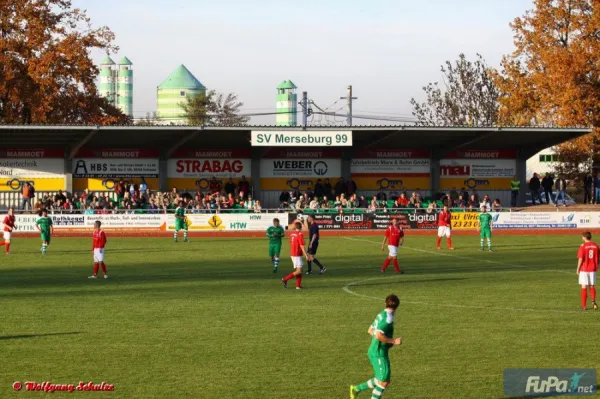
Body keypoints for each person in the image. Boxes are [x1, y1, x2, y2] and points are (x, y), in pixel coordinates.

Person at [349, 294, 403, 399]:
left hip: (376, 351)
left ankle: (355, 389)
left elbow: (370, 330)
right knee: (384, 382)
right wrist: (393, 341)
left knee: (381, 379)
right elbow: (378, 335)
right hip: (379, 353)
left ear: (385, 303)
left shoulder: (381, 314)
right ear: (397, 306)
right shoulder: (388, 318)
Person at [281, 221, 308, 290]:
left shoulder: (292, 234)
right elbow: (302, 246)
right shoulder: (300, 234)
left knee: (299, 269)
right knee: (299, 271)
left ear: (295, 227)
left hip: (293, 253)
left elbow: (290, 242)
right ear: (301, 227)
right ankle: (285, 279)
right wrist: (306, 255)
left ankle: (298, 286)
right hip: (297, 254)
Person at [576, 232, 598, 311]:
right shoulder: (596, 246)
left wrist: (578, 268)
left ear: (585, 237)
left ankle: (584, 306)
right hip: (593, 269)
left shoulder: (583, 246)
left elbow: (580, 258)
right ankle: (593, 301)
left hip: (584, 269)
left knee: (584, 286)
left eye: (582, 237)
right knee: (592, 286)